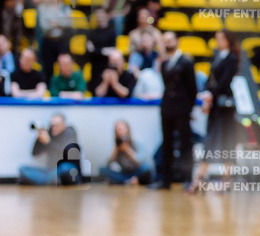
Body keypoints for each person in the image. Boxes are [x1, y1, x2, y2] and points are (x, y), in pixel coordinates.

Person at [188, 30, 243, 193]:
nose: (218, 41)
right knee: (210, 141)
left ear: (228, 40)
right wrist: (206, 93)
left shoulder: (232, 58)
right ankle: (201, 178)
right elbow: (210, 79)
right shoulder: (217, 56)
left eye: (221, 38)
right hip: (215, 107)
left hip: (225, 108)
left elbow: (225, 82)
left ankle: (225, 179)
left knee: (226, 142)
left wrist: (211, 94)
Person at [150, 32, 198, 189]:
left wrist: (189, 109)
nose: (167, 43)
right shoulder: (164, 64)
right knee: (167, 145)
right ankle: (166, 180)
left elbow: (193, 89)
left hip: (182, 109)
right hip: (167, 108)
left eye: (170, 40)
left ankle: (187, 178)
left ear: (177, 41)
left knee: (185, 145)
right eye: (164, 41)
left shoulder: (186, 62)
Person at [18, 113, 79, 185]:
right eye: (52, 125)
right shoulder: (49, 133)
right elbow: (34, 153)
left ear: (64, 125)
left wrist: (48, 142)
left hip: (66, 168)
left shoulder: (70, 133)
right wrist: (39, 139)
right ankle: (51, 181)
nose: (53, 128)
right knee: (23, 169)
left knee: (65, 168)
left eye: (56, 125)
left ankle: (46, 181)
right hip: (51, 170)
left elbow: (66, 152)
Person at [100, 120, 153, 184]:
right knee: (102, 169)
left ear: (128, 130)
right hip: (125, 173)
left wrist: (128, 150)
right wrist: (115, 150)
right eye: (117, 131)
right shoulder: (116, 146)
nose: (119, 133)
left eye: (121, 130)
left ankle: (125, 181)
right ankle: (128, 181)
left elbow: (141, 162)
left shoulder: (136, 141)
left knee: (147, 168)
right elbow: (107, 164)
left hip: (137, 171)